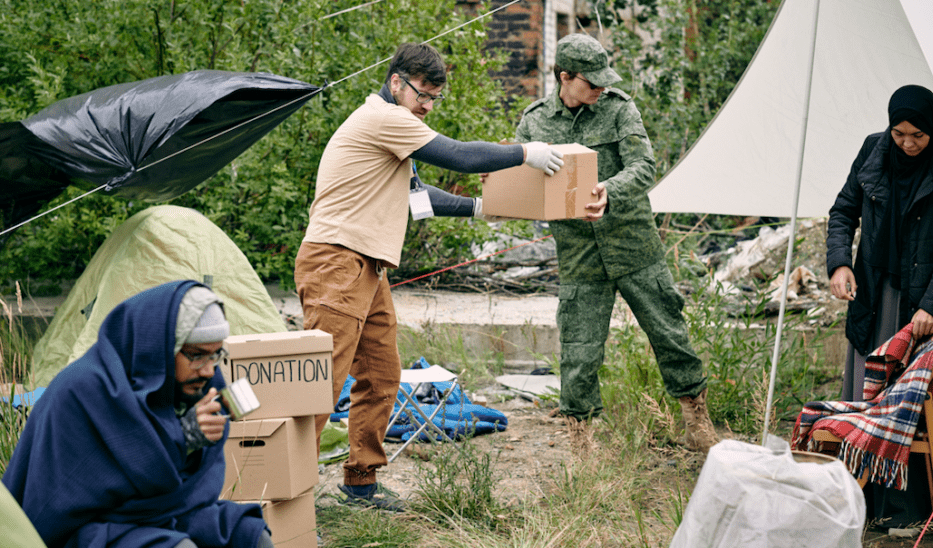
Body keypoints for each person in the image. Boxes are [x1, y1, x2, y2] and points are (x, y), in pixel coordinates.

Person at [295, 42, 563, 510]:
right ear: (396, 82)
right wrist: (526, 152)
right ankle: (288, 497)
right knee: (321, 384)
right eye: (423, 95)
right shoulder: (383, 118)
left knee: (382, 375)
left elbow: (418, 198)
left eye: (435, 98)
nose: (428, 106)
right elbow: (460, 156)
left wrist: (480, 208)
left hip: (368, 266)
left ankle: (361, 483)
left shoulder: (395, 129)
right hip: (336, 261)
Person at [513, 33, 718, 453]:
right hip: (579, 255)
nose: (601, 88)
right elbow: (523, 183)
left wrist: (610, 190)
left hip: (633, 244)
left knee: (669, 332)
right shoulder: (534, 122)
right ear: (565, 78)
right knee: (579, 350)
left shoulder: (620, 108)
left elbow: (644, 166)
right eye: (592, 82)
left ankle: (696, 419)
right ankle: (581, 442)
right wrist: (500, 180)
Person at [2, 280, 271, 548]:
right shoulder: (82, 390)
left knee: (251, 535)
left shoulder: (194, 383)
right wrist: (183, 437)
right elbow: (74, 495)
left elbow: (196, 488)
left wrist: (200, 434)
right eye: (196, 355)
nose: (209, 371)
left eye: (215, 355)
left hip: (169, 510)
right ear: (161, 346)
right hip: (96, 523)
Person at [827, 84, 933, 529]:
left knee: (914, 401)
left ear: (932, 129)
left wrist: (932, 306)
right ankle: (861, 503)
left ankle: (910, 510)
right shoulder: (873, 151)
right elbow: (843, 211)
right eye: (899, 133)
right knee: (866, 395)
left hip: (923, 302)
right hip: (874, 294)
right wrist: (839, 264)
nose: (907, 143)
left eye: (917, 135)